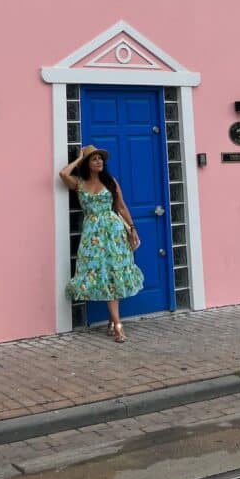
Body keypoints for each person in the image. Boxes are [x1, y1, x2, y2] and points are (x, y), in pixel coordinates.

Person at [59, 144, 144, 343]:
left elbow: (121, 207)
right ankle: (114, 321)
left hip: (114, 234)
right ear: (87, 164)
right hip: (92, 236)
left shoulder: (110, 182)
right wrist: (79, 159)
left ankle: (117, 325)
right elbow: (63, 174)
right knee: (102, 274)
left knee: (114, 274)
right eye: (94, 159)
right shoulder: (79, 183)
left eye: (100, 159)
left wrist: (132, 228)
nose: (99, 161)